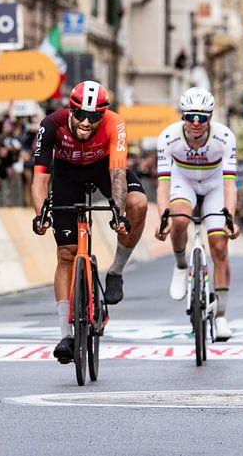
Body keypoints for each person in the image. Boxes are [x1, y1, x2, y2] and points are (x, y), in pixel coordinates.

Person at [31, 80, 148, 363]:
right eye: (80, 114)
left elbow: (118, 173)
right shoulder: (51, 124)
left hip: (103, 168)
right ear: (70, 110)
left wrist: (119, 214)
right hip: (67, 174)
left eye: (94, 116)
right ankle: (65, 335)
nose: (86, 121)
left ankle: (117, 270)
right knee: (66, 255)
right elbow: (40, 178)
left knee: (138, 204)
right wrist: (40, 214)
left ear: (102, 115)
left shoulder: (114, 123)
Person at [155, 87, 240, 341]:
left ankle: (222, 316)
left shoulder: (225, 137)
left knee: (219, 246)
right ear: (182, 115)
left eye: (202, 117)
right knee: (179, 218)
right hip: (184, 181)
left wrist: (230, 219)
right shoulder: (168, 137)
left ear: (210, 117)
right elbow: (163, 184)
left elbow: (229, 184)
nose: (195, 122)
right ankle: (181, 265)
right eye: (190, 116)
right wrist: (163, 217)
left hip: (215, 184)